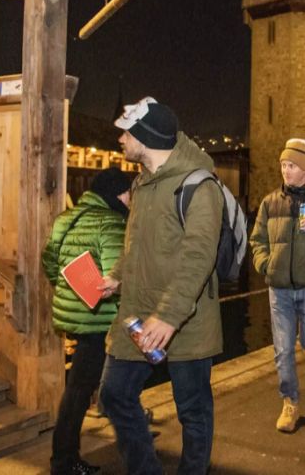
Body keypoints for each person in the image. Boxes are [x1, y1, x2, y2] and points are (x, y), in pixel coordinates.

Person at [98, 97, 224, 474]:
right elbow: (136, 244)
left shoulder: (200, 186)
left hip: (186, 320)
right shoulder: (142, 183)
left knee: (193, 412)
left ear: (146, 136)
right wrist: (116, 277)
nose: (120, 137)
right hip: (138, 315)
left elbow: (197, 258)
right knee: (114, 395)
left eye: (127, 132)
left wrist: (168, 317)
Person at [43, 167, 131, 475]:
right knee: (82, 391)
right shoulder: (112, 222)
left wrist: (69, 294)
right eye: (129, 193)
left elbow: (50, 263)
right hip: (98, 321)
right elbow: (114, 278)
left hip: (73, 316)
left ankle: (64, 458)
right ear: (118, 194)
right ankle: (65, 461)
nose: (131, 200)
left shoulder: (67, 218)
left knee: (80, 388)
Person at [250, 138, 305, 432]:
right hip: (279, 289)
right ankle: (290, 402)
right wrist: (265, 264)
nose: (286, 171)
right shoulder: (270, 202)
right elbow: (257, 240)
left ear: (304, 168)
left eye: (291, 166)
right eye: (283, 165)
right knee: (283, 349)